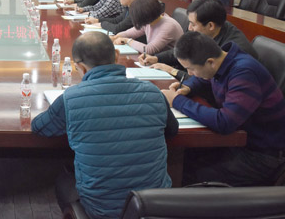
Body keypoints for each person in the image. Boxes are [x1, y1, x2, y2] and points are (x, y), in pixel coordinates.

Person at [31, 32, 177, 218]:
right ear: (116, 55)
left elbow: (39, 127)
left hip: (103, 212)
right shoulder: (153, 92)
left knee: (63, 181)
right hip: (155, 207)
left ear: (79, 67)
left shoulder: (71, 98)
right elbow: (172, 131)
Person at [162, 32, 285, 186]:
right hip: (239, 140)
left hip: (261, 155)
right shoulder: (222, 60)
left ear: (210, 62)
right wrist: (188, 87)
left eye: (191, 69)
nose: (189, 74)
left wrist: (177, 101)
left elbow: (224, 122)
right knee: (181, 157)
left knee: (186, 174)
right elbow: (205, 79)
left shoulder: (244, 73)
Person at [141, 0, 258, 79]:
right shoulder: (211, 30)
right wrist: (157, 58)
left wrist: (172, 71)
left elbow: (207, 82)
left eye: (193, 24)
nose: (189, 28)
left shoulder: (231, 51)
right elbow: (185, 51)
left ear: (210, 26)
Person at [112, 0, 183, 55]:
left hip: (170, 63)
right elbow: (132, 32)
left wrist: (127, 41)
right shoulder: (150, 20)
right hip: (155, 58)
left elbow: (149, 49)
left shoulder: (169, 26)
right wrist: (116, 37)